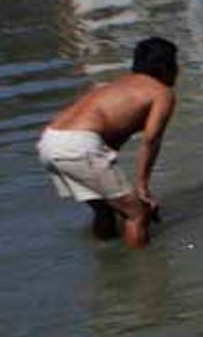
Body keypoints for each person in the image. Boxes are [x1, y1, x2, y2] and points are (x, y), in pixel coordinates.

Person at [36, 37, 178, 249]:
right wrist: (143, 188)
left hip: (50, 140)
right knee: (138, 214)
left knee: (104, 209)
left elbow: (107, 139)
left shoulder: (115, 85)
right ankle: (144, 268)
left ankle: (107, 258)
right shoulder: (161, 92)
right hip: (78, 144)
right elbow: (151, 140)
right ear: (166, 67)